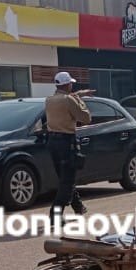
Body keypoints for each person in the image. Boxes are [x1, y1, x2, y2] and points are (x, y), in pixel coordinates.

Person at [46, 72, 93, 215]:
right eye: (71, 84)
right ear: (67, 85)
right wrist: (80, 100)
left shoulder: (49, 100)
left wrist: (78, 95)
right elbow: (86, 118)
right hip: (66, 142)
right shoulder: (69, 100)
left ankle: (78, 206)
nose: (72, 86)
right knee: (67, 181)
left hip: (52, 142)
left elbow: (66, 98)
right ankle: (55, 213)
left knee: (64, 178)